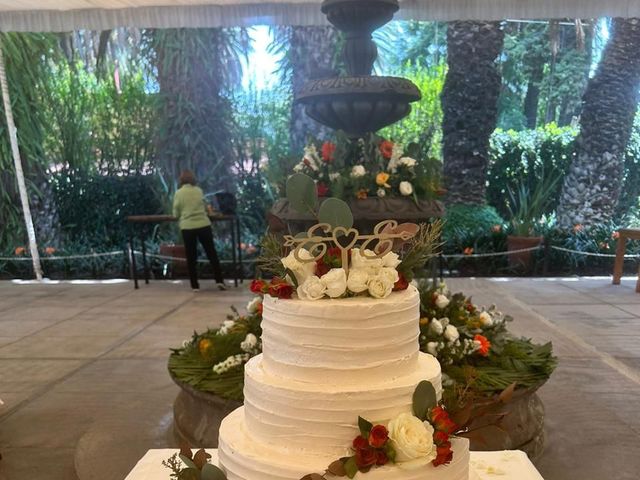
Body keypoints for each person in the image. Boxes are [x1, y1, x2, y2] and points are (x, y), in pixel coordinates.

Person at [173, 170, 226, 291]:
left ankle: (194, 285)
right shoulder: (198, 191)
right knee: (211, 253)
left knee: (191, 256)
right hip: (203, 224)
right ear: (193, 179)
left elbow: (176, 212)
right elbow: (204, 206)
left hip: (187, 227)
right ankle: (219, 280)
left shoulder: (178, 193)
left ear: (181, 180)